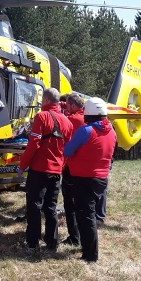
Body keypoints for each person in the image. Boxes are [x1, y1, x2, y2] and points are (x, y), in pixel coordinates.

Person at [17, 87, 73, 253]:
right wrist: (61, 166)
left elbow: (34, 144)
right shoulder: (67, 122)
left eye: (42, 100)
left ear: (47, 101)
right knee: (51, 207)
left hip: (39, 169)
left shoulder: (42, 117)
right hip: (56, 171)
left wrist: (22, 165)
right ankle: (52, 243)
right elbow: (68, 150)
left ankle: (33, 243)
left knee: (34, 206)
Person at [64, 97, 117, 263]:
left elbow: (68, 151)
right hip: (101, 179)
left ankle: (90, 255)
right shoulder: (112, 132)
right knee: (90, 215)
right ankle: (87, 249)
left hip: (84, 178)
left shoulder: (86, 131)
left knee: (86, 217)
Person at [59, 93, 86, 246]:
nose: (66, 108)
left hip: (71, 166)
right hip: (83, 167)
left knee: (70, 204)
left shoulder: (73, 120)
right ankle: (81, 235)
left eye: (68, 106)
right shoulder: (84, 117)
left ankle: (74, 237)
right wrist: (62, 104)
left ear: (74, 106)